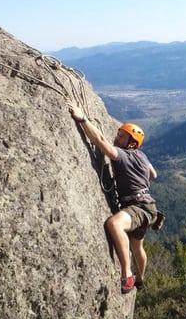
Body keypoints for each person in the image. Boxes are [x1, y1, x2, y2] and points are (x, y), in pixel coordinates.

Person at [67, 101, 164, 294]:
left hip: (138, 207)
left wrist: (83, 119)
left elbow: (101, 142)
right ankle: (141, 279)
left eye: (121, 136)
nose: (116, 137)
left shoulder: (123, 155)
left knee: (114, 224)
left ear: (131, 143)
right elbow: (153, 174)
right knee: (137, 246)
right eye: (118, 134)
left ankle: (127, 275)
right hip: (148, 206)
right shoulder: (141, 155)